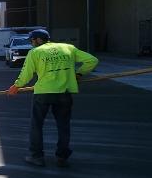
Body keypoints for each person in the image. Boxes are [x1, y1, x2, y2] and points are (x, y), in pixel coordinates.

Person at [8, 29, 98, 167]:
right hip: (64, 92)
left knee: (37, 125)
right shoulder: (68, 48)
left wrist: (16, 86)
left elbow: (26, 73)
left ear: (38, 40)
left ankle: (36, 156)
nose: (31, 44)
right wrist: (79, 74)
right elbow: (92, 60)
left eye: (32, 41)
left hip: (43, 93)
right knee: (63, 125)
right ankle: (62, 157)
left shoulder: (36, 52)